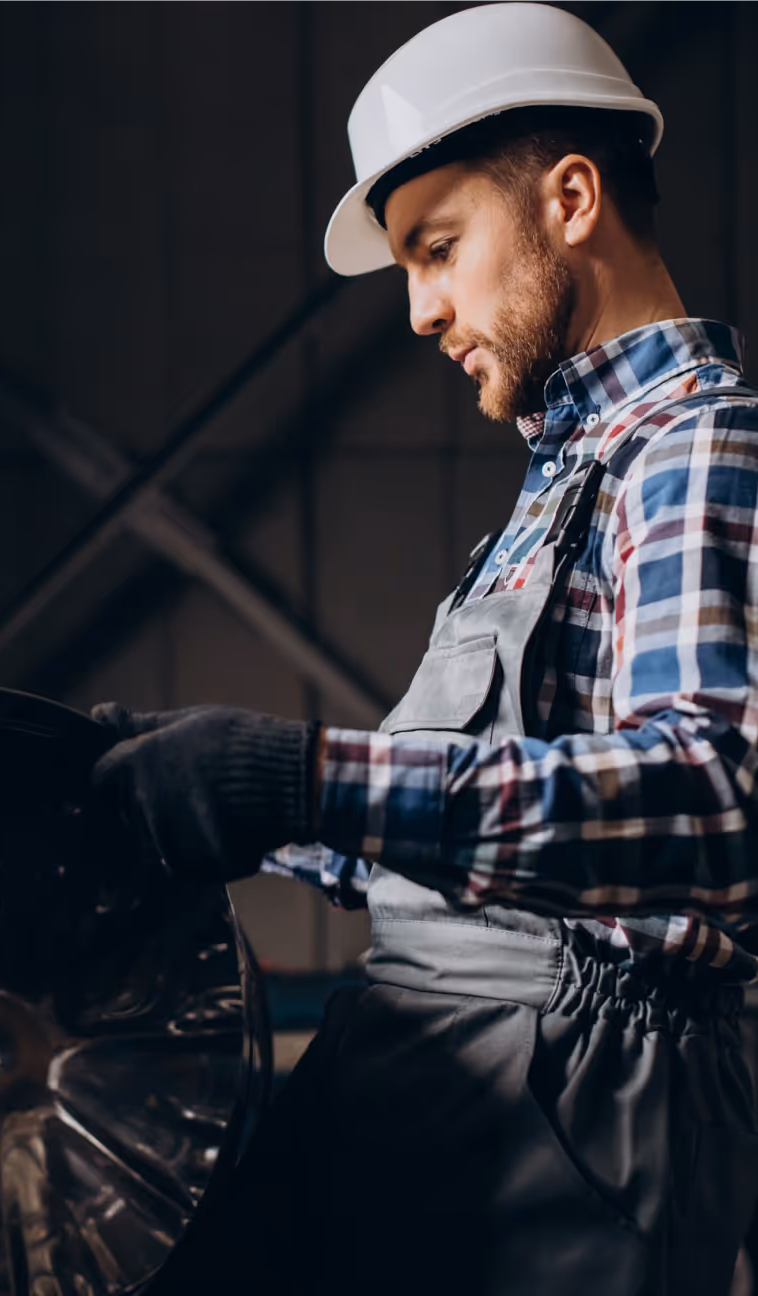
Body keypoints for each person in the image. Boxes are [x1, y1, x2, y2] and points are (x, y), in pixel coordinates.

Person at [92, 5, 758, 1292]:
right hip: (426, 1058)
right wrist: (197, 792)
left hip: (575, 1112)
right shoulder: (564, 485)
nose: (417, 310)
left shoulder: (697, 449)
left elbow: (716, 799)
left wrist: (306, 777)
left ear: (570, 199)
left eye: (437, 249)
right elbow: (450, 844)